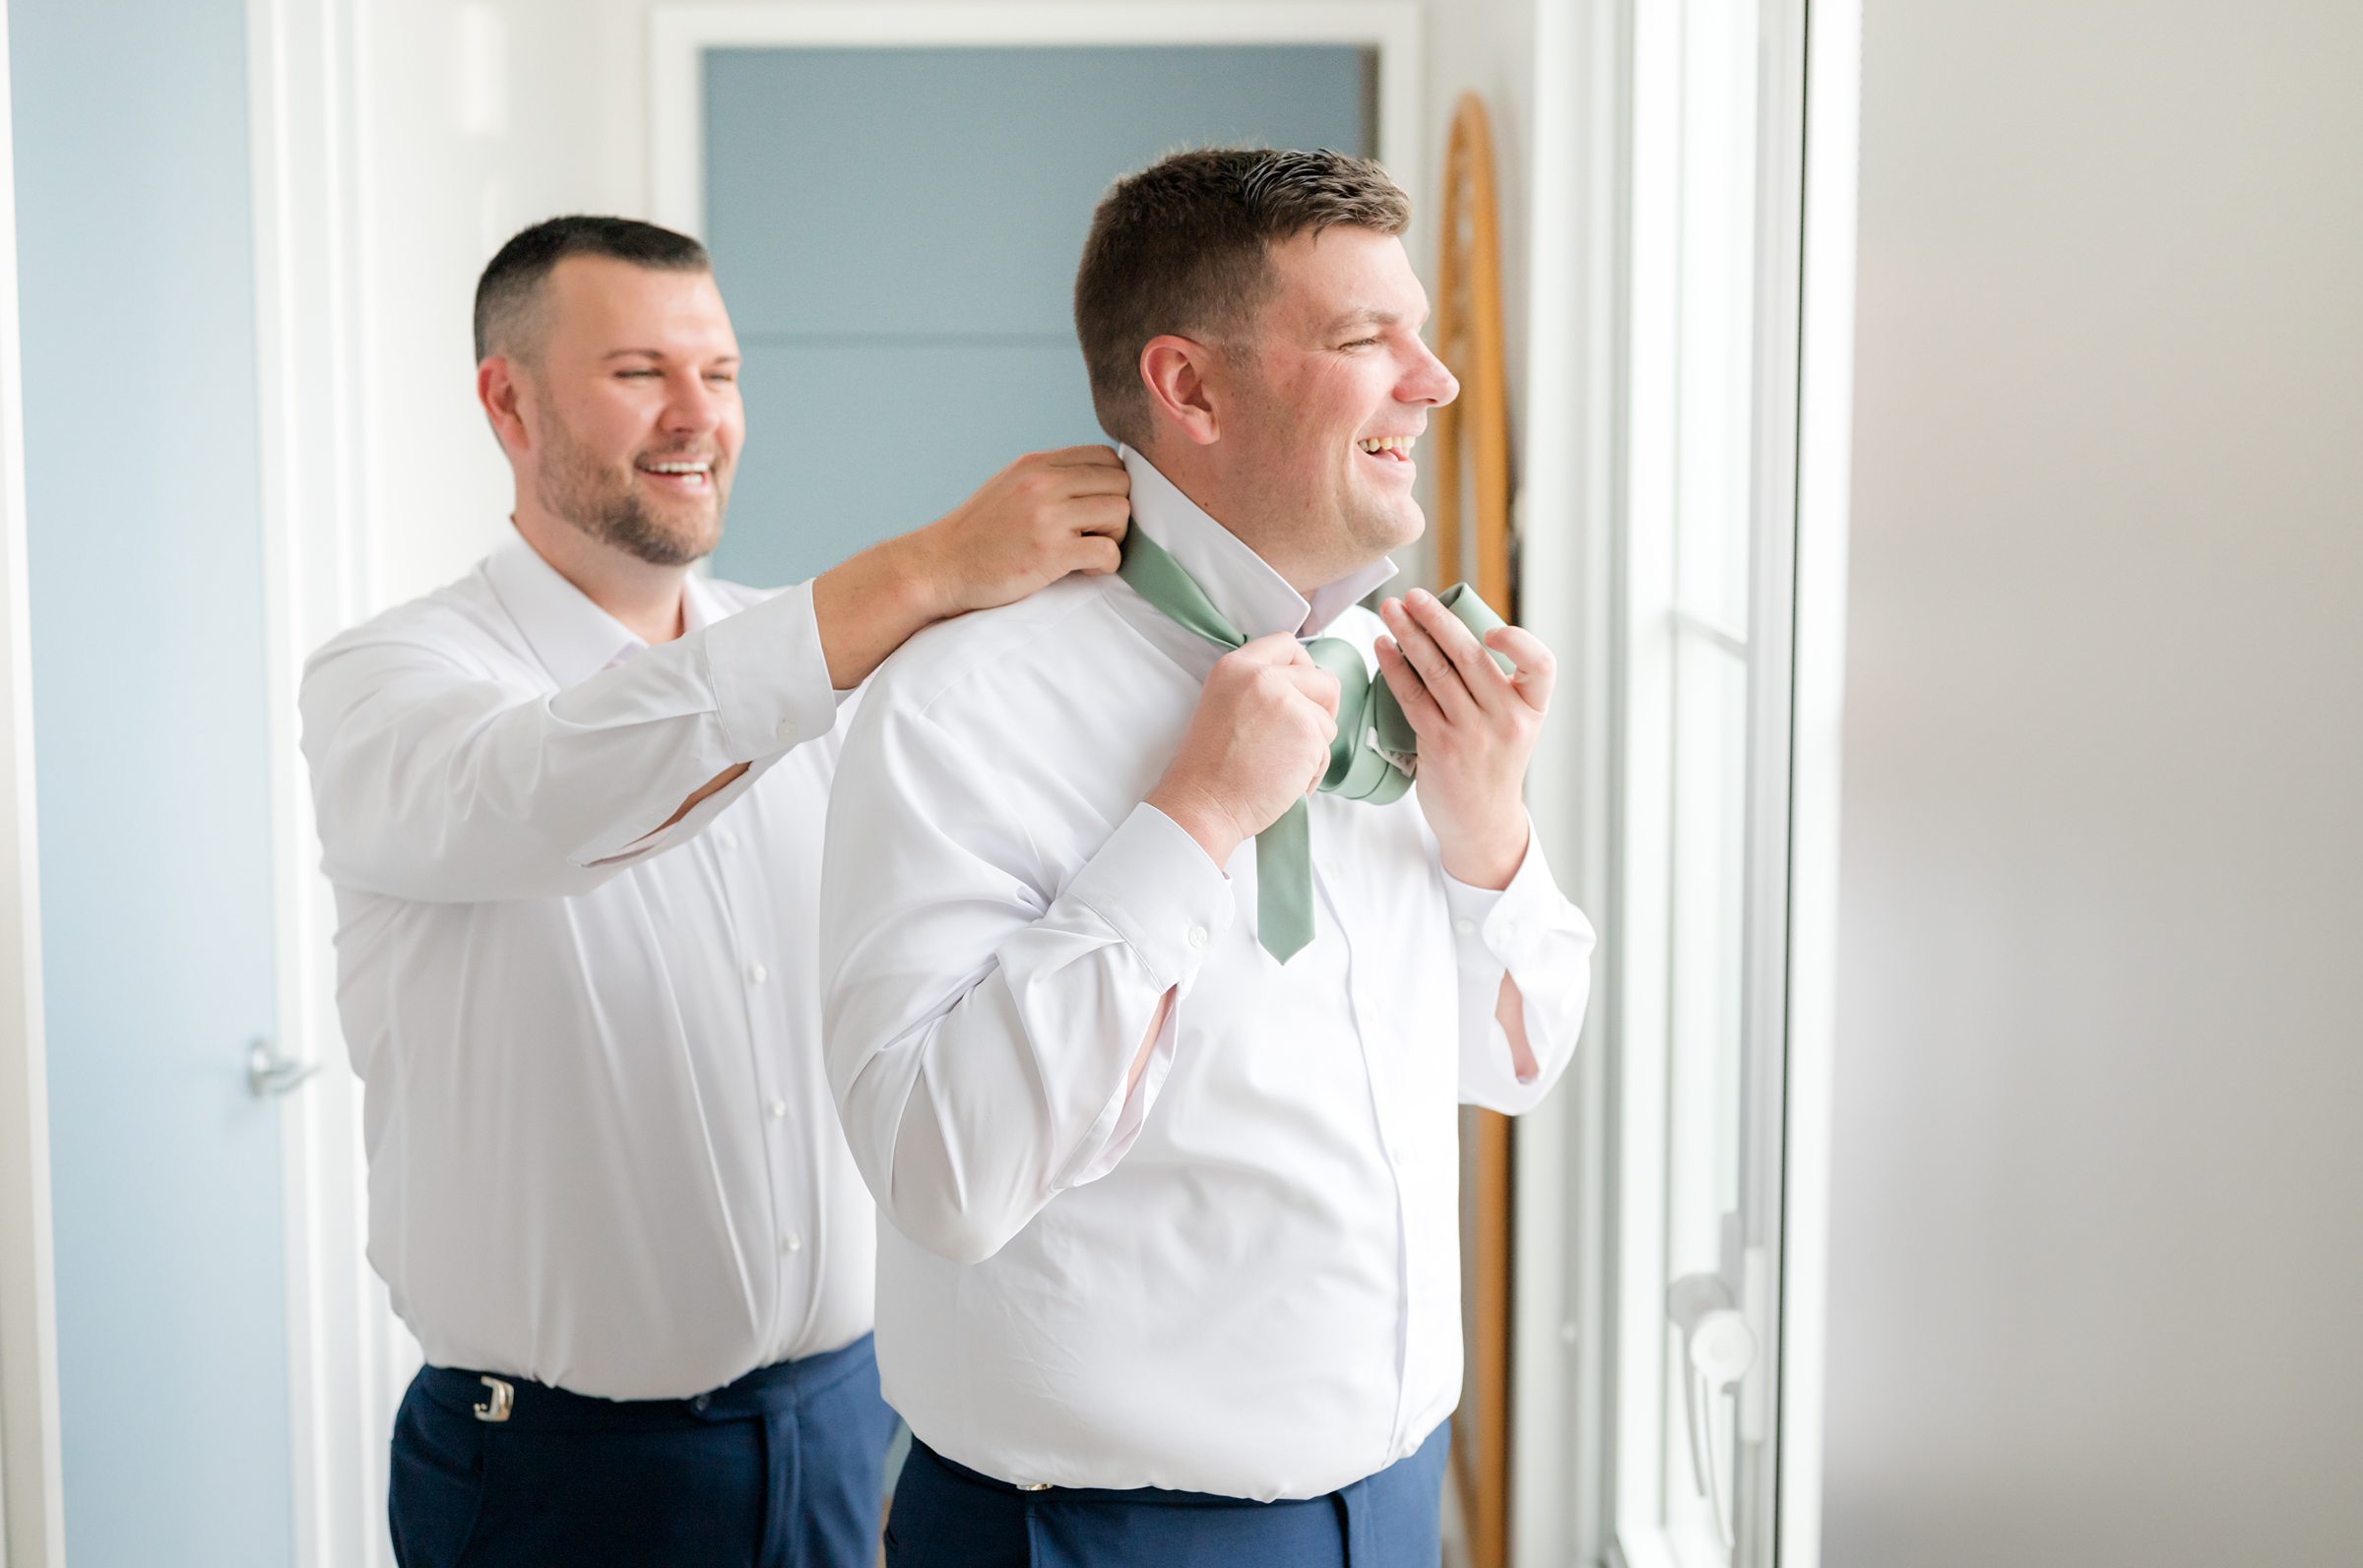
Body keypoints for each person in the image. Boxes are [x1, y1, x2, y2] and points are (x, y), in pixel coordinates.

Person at [298, 215, 1130, 1568]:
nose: (699, 417)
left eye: (723, 374)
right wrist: (921, 573)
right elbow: (552, 792)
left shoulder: (820, 669)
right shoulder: (390, 685)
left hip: (842, 1428)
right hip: (550, 1482)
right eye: (640, 373)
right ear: (507, 401)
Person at [819, 150, 1598, 1566]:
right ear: (1189, 388)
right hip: (1096, 1537)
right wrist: (1190, 824)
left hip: (1395, 1507)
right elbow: (942, 1171)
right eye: (1369, 342)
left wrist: (1490, 829)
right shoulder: (962, 706)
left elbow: (1520, 1064)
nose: (1436, 383)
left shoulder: (1394, 676)